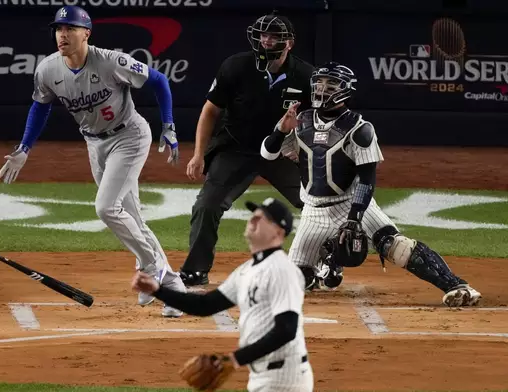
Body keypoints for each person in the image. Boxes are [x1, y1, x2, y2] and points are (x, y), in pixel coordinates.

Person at [0, 5, 186, 317]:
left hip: (130, 137)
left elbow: (159, 80)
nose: (62, 34)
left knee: (106, 208)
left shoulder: (111, 61)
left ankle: (154, 268)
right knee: (133, 218)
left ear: (86, 33)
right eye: (58, 29)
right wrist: (24, 148)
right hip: (95, 144)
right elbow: (40, 107)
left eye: (69, 28)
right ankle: (170, 285)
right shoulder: (48, 70)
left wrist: (169, 126)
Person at [260, 61, 482, 307]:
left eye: (331, 84)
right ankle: (329, 259)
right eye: (319, 83)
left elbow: (367, 178)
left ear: (345, 89)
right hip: (313, 211)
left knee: (394, 246)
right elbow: (268, 154)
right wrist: (281, 130)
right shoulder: (300, 122)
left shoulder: (359, 129)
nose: (323, 89)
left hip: (351, 202)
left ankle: (457, 286)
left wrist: (354, 217)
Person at [179, 11, 315, 286]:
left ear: (289, 43)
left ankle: (325, 265)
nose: (266, 41)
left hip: (280, 151)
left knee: (317, 205)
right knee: (207, 205)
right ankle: (196, 268)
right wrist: (197, 154)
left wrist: (302, 149)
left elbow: (316, 121)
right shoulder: (236, 67)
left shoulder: (305, 76)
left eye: (274, 36)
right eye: (263, 34)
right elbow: (209, 111)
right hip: (236, 148)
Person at [132, 197, 313, 392]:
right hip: (263, 376)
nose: (253, 220)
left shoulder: (281, 270)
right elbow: (206, 305)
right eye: (254, 215)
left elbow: (286, 329)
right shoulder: (248, 270)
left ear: (279, 233)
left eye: (263, 219)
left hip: (285, 379)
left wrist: (235, 359)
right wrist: (158, 291)